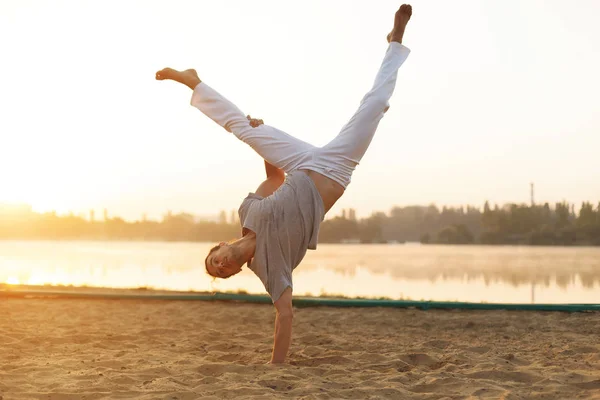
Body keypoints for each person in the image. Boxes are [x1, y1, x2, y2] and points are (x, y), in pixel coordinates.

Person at [156, 4, 412, 363]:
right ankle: (395, 43)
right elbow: (285, 315)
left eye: (215, 261)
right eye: (221, 271)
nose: (221, 266)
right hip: (336, 169)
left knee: (246, 129)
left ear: (218, 247)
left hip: (299, 164)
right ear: (234, 271)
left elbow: (274, 177)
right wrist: (277, 367)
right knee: (374, 105)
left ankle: (193, 81)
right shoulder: (269, 268)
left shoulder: (247, 210)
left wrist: (266, 139)